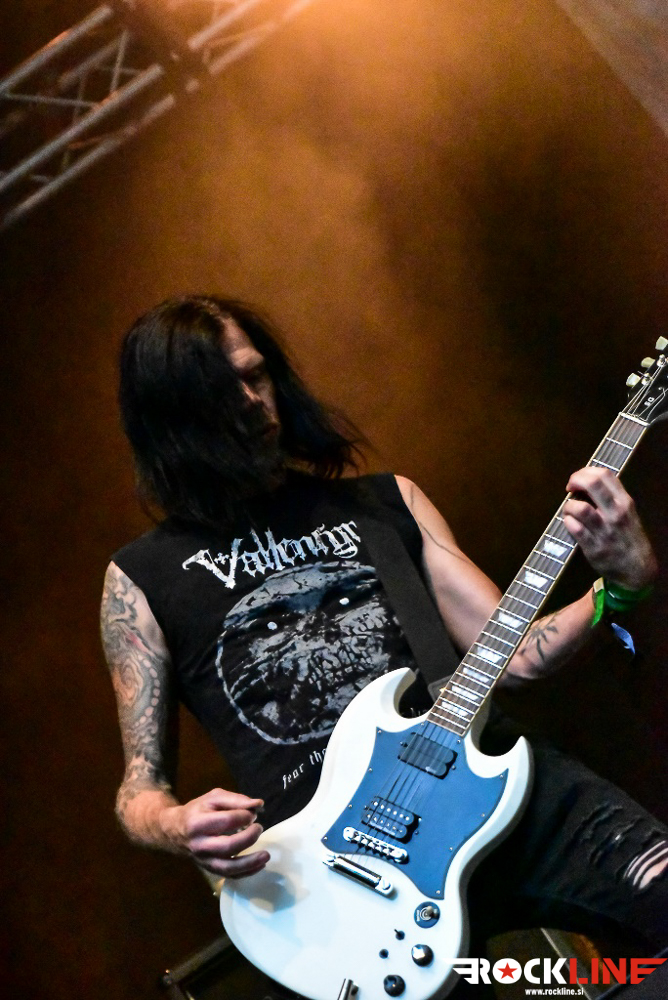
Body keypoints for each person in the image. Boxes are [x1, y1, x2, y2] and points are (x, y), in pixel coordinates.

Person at [101, 294, 667, 996]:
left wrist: (621, 587)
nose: (251, 401)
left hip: (496, 789)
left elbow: (517, 653)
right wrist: (177, 823)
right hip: (339, 887)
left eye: (256, 375)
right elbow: (139, 789)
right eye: (222, 389)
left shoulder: (384, 503)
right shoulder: (141, 578)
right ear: (171, 416)